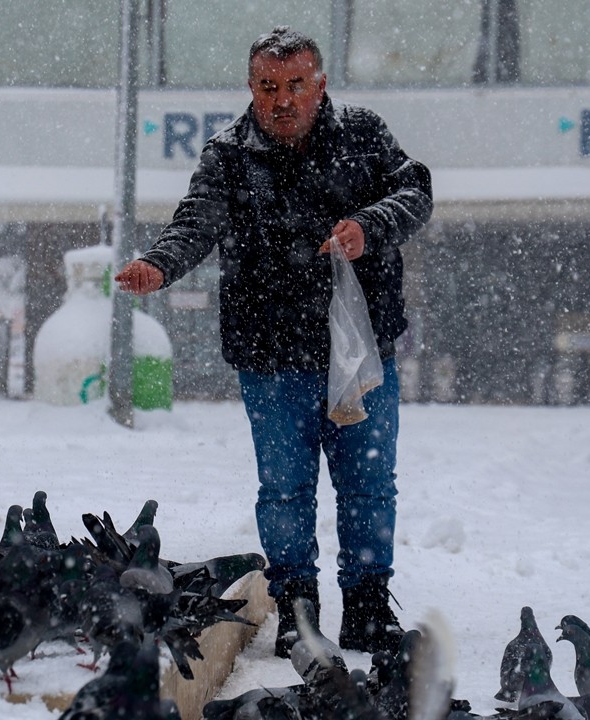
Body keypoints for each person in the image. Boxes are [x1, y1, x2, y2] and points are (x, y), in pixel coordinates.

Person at [115, 26, 433, 657]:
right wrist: (159, 265)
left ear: (321, 86)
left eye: (295, 86)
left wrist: (370, 226)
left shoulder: (364, 135)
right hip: (271, 355)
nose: (282, 100)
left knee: (369, 484)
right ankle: (297, 608)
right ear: (251, 89)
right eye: (268, 87)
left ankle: (369, 606)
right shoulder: (229, 154)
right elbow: (196, 223)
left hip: (362, 355)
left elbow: (415, 191)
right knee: (285, 486)